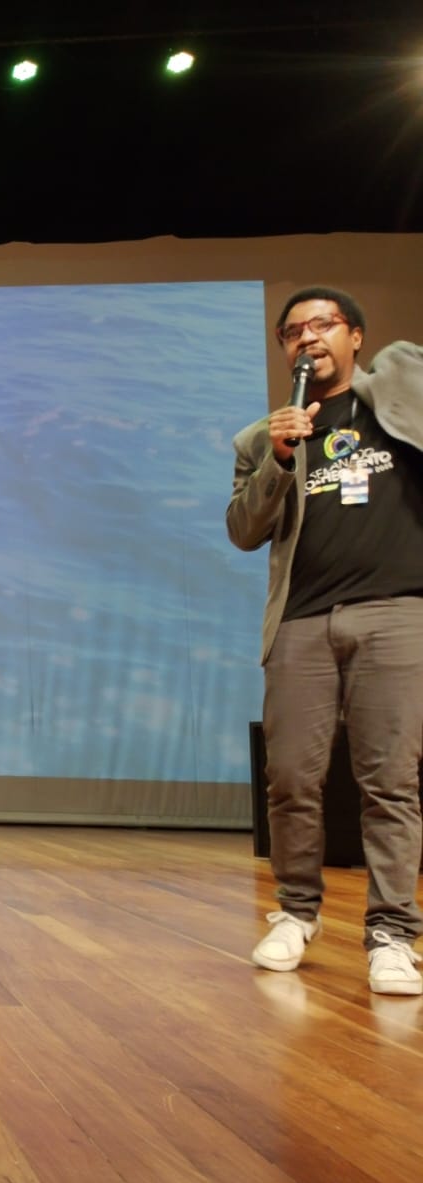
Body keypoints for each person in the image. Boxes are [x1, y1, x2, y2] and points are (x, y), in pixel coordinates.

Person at [227, 286, 423, 996]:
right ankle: (295, 911)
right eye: (293, 331)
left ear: (355, 337)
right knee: (290, 779)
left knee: (390, 782)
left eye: (322, 325)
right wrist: (279, 461)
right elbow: (242, 531)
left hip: (394, 612)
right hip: (301, 621)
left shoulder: (398, 393)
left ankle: (393, 935)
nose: (307, 338)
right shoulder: (261, 437)